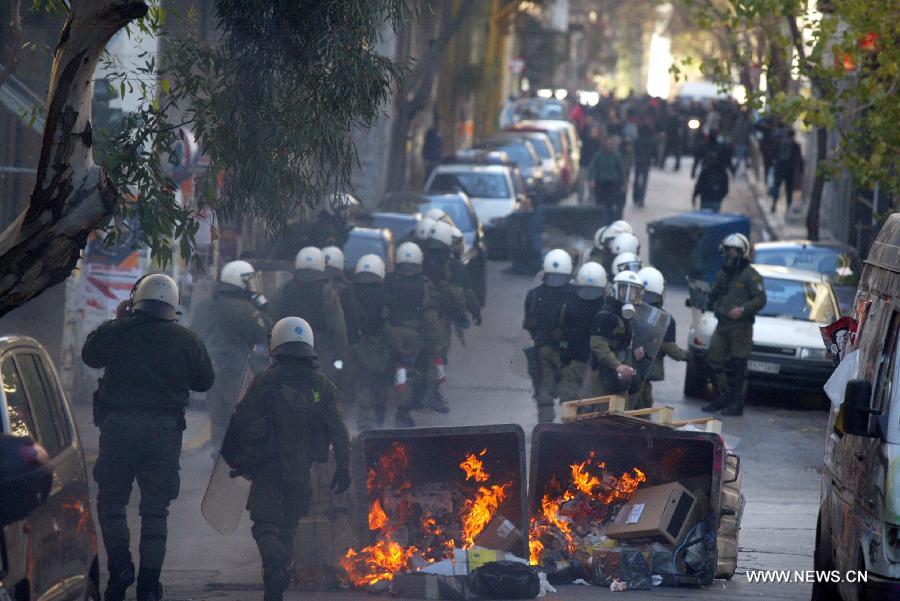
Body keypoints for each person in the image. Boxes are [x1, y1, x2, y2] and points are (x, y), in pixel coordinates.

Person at [82, 274, 215, 601]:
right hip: (163, 434)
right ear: (173, 306)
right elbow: (205, 382)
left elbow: (89, 355)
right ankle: (148, 585)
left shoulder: (118, 332)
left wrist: (119, 319)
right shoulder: (187, 340)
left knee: (111, 502)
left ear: (137, 301)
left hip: (118, 430)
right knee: (155, 511)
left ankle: (120, 566)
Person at [220, 316, 350, 601]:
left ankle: (275, 566)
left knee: (265, 524)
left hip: (267, 467)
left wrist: (232, 459)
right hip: (301, 469)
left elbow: (239, 421)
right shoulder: (321, 385)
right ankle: (277, 578)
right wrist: (343, 466)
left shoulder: (265, 382)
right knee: (289, 527)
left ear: (276, 344)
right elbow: (338, 429)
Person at [190, 260, 270, 452]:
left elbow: (193, 333)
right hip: (235, 369)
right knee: (241, 414)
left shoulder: (205, 305)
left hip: (209, 368)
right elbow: (265, 332)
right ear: (239, 281)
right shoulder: (245, 310)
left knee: (218, 417)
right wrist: (263, 307)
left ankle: (218, 451)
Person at [702, 234, 767, 416]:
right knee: (713, 359)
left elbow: (760, 299)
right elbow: (715, 292)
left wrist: (743, 309)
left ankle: (736, 403)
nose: (730, 254)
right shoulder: (724, 273)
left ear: (741, 252)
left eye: (734, 250)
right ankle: (721, 396)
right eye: (727, 250)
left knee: (739, 365)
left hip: (741, 328)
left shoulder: (750, 276)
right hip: (722, 325)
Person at [271, 246, 349, 386]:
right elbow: (337, 326)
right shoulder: (327, 291)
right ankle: (316, 401)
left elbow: (272, 316)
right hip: (318, 348)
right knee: (317, 386)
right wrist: (342, 353)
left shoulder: (285, 288)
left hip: (288, 346)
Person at [384, 242, 441, 427]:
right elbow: (430, 316)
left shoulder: (388, 281)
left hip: (389, 335)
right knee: (408, 373)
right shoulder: (424, 285)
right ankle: (403, 411)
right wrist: (434, 343)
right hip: (413, 337)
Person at [421, 220, 472, 413]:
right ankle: (433, 394)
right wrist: (461, 317)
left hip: (419, 317)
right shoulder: (450, 265)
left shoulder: (420, 260)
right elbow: (458, 296)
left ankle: (416, 396)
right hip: (439, 318)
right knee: (438, 358)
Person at [584, 271, 651, 409]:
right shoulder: (607, 316)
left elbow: (621, 344)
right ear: (615, 290)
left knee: (619, 417)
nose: (628, 297)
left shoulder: (623, 316)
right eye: (624, 291)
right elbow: (598, 344)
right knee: (600, 417)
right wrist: (617, 365)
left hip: (618, 376)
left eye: (633, 293)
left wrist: (634, 353)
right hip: (604, 376)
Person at [523, 249, 574, 422]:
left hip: (544, 349)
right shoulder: (576, 295)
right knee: (570, 396)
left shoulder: (535, 294)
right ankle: (572, 434)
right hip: (570, 353)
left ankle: (545, 431)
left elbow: (529, 324)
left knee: (545, 394)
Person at [637, 267, 689, 409]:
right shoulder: (664, 319)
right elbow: (671, 349)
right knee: (641, 412)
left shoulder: (628, 310)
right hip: (643, 374)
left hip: (622, 370)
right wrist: (690, 357)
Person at [350, 255, 391, 428]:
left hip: (357, 342)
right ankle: (377, 414)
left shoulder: (350, 291)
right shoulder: (384, 293)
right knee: (379, 379)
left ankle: (364, 417)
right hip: (379, 343)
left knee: (363, 379)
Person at [558, 262, 607, 403]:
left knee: (570, 406)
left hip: (574, 362)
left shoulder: (569, 305)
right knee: (592, 408)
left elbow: (560, 330)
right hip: (595, 366)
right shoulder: (605, 310)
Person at [588, 136, 626, 225]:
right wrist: (591, 179)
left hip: (612, 184)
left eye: (610, 144)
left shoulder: (616, 156)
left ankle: (610, 222)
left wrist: (623, 183)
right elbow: (592, 168)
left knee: (611, 205)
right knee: (600, 204)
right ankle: (601, 222)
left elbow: (621, 170)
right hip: (601, 183)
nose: (608, 146)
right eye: (607, 144)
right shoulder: (598, 155)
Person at [770, 127, 803, 213]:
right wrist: (800, 171)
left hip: (779, 168)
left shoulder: (779, 142)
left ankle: (774, 204)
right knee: (789, 189)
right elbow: (799, 159)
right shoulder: (795, 145)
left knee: (776, 186)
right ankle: (788, 206)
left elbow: (773, 154)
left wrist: (773, 163)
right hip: (790, 169)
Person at [631, 122, 657, 206]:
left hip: (638, 161)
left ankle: (635, 197)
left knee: (636, 180)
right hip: (647, 162)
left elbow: (634, 150)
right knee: (644, 181)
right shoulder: (651, 140)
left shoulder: (637, 140)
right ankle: (641, 199)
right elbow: (654, 152)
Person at [423, 114, 444, 183]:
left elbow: (440, 146)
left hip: (438, 159)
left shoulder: (440, 133)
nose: (440, 124)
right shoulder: (431, 132)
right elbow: (427, 145)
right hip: (431, 159)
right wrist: (426, 158)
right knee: (430, 176)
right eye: (439, 122)